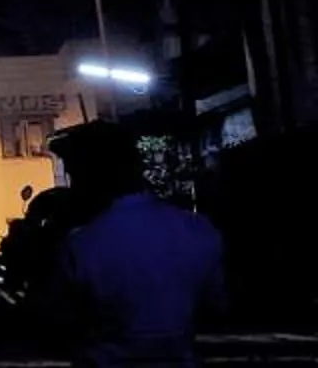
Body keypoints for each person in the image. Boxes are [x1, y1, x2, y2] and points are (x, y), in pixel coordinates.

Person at [43, 121, 226, 367]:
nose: (72, 186)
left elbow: (60, 322)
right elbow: (218, 307)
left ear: (91, 175)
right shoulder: (198, 230)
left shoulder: (82, 245)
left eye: (74, 174)